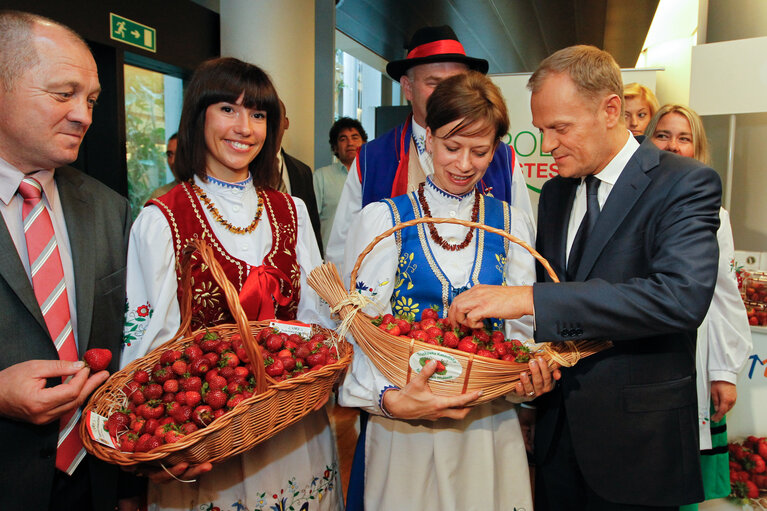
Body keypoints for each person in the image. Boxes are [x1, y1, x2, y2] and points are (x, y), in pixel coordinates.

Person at [448, 45, 723, 510]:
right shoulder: (555, 193)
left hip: (639, 446)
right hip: (559, 439)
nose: (549, 144)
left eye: (560, 128)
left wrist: (530, 299)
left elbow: (680, 298)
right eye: (542, 130)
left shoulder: (685, 183)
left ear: (610, 109)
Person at [121, 57, 342, 511]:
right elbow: (148, 347)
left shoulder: (293, 211)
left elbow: (316, 320)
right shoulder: (162, 220)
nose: (244, 128)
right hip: (206, 436)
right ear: (198, 115)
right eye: (228, 109)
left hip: (293, 422)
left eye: (258, 115)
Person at [340, 71, 557, 511]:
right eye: (451, 147)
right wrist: (390, 400)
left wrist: (527, 380)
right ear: (428, 141)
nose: (463, 164)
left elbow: (519, 334)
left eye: (480, 151)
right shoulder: (384, 221)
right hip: (405, 429)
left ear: (496, 150)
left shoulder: (512, 224)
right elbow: (354, 335)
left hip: (487, 426)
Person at [0, 10, 136, 510]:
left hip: (93, 480)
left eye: (91, 99)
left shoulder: (109, 208)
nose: (84, 114)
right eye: (64, 94)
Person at [326, 25, 534, 277]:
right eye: (434, 83)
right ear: (407, 87)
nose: (448, 94)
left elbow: (523, 253)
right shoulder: (372, 160)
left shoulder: (504, 159)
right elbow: (341, 256)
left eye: (456, 83)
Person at [646, 104, 752, 510]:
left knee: (678, 476)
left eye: (684, 138)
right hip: (635, 354)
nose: (673, 145)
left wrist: (724, 371)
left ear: (697, 148)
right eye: (663, 135)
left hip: (691, 351)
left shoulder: (714, 213)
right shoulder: (622, 202)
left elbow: (725, 294)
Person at [313, 117, 367, 251]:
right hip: (332, 259)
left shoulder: (373, 176)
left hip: (366, 257)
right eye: (343, 139)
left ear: (364, 143)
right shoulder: (321, 177)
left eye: (355, 137)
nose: (350, 143)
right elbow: (312, 222)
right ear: (335, 148)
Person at [276, 100, 323, 253]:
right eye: (263, 116)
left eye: (277, 115)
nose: (271, 122)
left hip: (297, 257)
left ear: (286, 122)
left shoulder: (302, 170)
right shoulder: (244, 169)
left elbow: (313, 225)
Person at [149, 133, 179, 200]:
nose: (173, 161)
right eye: (169, 155)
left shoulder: (204, 192)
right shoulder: (160, 196)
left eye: (178, 154)